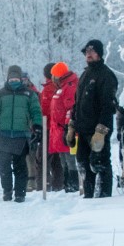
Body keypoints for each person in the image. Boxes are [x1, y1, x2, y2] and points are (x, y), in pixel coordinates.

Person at [66, 39, 118, 198]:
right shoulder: (85, 74)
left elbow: (108, 107)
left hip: (97, 131)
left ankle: (103, 201)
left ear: (99, 53)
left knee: (99, 165)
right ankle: (89, 197)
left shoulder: (106, 75)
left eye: (92, 51)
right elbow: (78, 102)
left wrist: (101, 131)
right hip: (82, 129)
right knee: (83, 164)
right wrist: (72, 125)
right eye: (86, 51)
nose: (88, 54)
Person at [0, 65, 43, 202]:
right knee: (3, 166)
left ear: (21, 78)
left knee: (20, 166)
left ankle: (20, 193)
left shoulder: (29, 94)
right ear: (8, 78)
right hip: (4, 135)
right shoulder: (1, 94)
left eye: (16, 78)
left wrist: (37, 126)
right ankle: (7, 190)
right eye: (11, 78)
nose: (14, 81)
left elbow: (36, 111)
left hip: (21, 135)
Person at [49, 62, 80, 193]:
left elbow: (71, 108)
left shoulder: (69, 86)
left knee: (70, 159)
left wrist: (68, 125)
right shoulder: (62, 86)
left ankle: (73, 185)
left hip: (67, 129)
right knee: (64, 160)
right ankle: (68, 184)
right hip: (60, 129)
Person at [36, 62, 63, 191]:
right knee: (57, 159)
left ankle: (43, 185)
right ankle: (58, 184)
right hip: (57, 127)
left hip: (49, 128)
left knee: (43, 158)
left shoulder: (48, 89)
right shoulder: (59, 86)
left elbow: (45, 110)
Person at [22, 72, 40, 192]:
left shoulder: (34, 93)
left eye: (25, 79)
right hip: (23, 129)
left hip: (32, 129)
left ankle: (32, 182)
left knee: (31, 157)